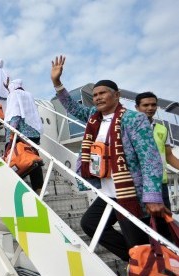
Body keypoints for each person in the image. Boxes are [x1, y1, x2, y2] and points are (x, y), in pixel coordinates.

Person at [51, 55, 170, 261]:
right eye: (95, 94)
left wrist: (152, 195)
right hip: (108, 192)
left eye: (103, 93)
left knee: (139, 242)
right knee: (90, 223)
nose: (97, 97)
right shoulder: (93, 117)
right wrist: (57, 83)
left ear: (117, 95)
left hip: (129, 192)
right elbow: (72, 107)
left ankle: (145, 264)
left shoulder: (134, 119)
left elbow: (149, 158)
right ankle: (137, 262)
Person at [135, 91, 179, 209]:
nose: (150, 108)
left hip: (160, 183)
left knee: (164, 223)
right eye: (145, 105)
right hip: (138, 183)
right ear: (137, 108)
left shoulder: (162, 129)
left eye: (153, 105)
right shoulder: (128, 127)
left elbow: (169, 156)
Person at [5, 79, 44, 194]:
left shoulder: (14, 95)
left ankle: (19, 188)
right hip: (34, 132)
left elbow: (15, 114)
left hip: (21, 133)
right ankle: (39, 188)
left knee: (19, 159)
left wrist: (11, 131)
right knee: (33, 160)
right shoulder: (28, 95)